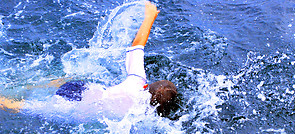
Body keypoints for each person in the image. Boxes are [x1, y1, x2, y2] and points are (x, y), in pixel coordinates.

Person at [0, 1, 178, 119]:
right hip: (75, 107)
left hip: (80, 88)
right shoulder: (141, 116)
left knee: (58, 84)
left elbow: (137, 45)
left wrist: (150, 16)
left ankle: (31, 86)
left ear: (147, 86)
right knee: (29, 108)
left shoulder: (137, 82)